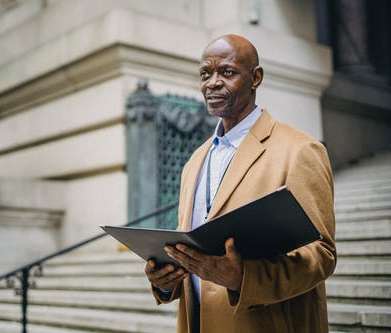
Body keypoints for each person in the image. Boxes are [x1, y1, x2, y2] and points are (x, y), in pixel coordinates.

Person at [144, 34, 336, 333]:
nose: (213, 82)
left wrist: (243, 278)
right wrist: (166, 282)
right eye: (205, 74)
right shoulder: (194, 161)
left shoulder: (300, 150)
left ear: (255, 78)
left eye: (227, 72)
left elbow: (321, 255)